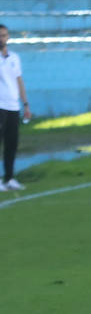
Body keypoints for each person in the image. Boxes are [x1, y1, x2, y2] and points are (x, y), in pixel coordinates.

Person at [0, 24, 32, 191]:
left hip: (13, 106)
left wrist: (25, 104)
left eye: (4, 35)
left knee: (11, 144)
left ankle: (9, 178)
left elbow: (19, 81)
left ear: (8, 37)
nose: (2, 38)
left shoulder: (14, 58)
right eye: (0, 35)